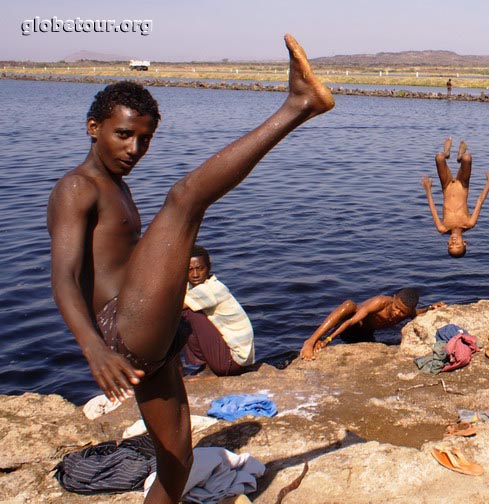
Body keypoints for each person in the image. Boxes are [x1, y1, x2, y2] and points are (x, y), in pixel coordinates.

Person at [47, 34, 334, 503]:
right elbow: (62, 276)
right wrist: (94, 350)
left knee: (177, 465)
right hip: (122, 328)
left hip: (148, 340)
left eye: (144, 139)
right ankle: (299, 105)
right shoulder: (76, 188)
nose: (135, 148)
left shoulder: (115, 185)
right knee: (185, 201)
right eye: (123, 134)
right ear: (92, 127)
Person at [300, 288, 444, 360]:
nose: (397, 313)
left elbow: (417, 313)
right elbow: (351, 321)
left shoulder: (408, 312)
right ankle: (310, 341)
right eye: (396, 307)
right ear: (393, 299)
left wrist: (430, 308)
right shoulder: (379, 302)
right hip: (350, 326)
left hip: (365, 334)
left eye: (402, 312)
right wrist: (327, 340)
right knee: (349, 305)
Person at [181, 245, 255, 377]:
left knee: (186, 314)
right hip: (233, 359)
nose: (195, 274)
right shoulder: (192, 288)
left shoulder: (212, 288)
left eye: (200, 269)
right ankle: (205, 365)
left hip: (233, 362)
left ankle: (206, 367)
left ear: (208, 268)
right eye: (189, 270)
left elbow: (177, 306)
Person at [421, 137, 489, 257]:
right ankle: (460, 156)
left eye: (451, 245)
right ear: (464, 242)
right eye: (458, 245)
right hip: (462, 185)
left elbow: (432, 208)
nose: (454, 242)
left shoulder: (442, 228)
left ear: (447, 243)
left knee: (439, 157)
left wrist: (427, 190)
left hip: (446, 186)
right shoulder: (469, 223)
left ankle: (447, 154)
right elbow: (480, 201)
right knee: (467, 158)